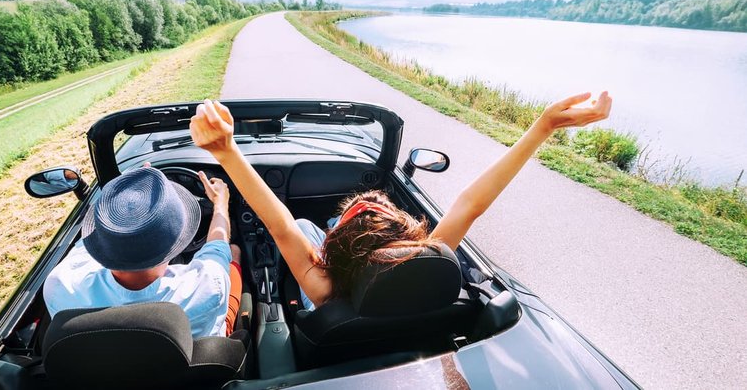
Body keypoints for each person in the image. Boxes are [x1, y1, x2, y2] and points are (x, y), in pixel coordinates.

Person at [190, 92, 611, 309]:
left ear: (333, 252)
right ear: (409, 239)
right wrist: (542, 127)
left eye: (342, 224)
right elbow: (471, 204)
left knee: (301, 228)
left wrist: (227, 151)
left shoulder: (324, 290)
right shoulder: (430, 261)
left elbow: (281, 223)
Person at [43, 165, 244, 338]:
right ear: (177, 239)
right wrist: (220, 203)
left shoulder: (59, 285)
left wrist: (125, 199)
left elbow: (88, 242)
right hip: (195, 364)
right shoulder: (209, 284)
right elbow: (218, 245)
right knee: (233, 251)